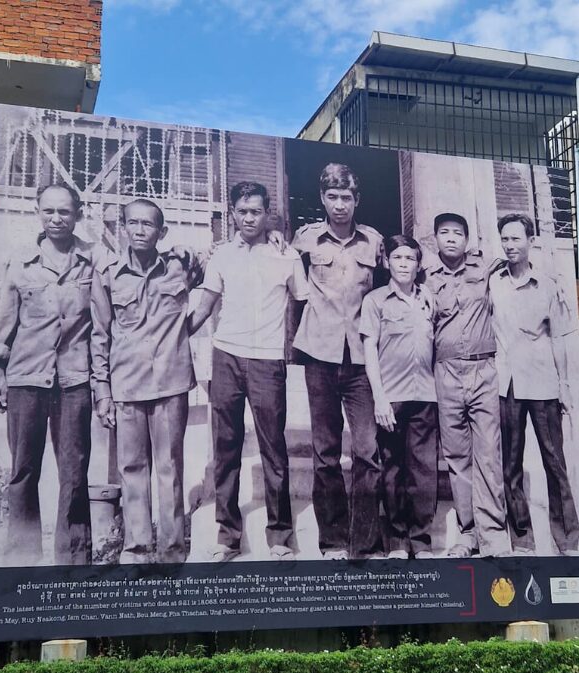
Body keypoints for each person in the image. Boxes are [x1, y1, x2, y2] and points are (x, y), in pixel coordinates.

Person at [188, 181, 309, 562]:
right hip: (226, 356)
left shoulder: (286, 256)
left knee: (274, 449)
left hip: (268, 360)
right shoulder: (221, 255)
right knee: (225, 448)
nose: (248, 218)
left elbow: (304, 303)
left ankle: (279, 536)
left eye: (256, 211)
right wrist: (173, 336)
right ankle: (227, 536)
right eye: (242, 211)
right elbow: (206, 303)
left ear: (267, 212)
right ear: (233, 212)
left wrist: (296, 353)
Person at [90, 198, 202, 564]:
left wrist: (190, 254)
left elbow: (218, 268)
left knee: (170, 469)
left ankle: (172, 552)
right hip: (127, 385)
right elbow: (99, 335)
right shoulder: (108, 275)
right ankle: (137, 550)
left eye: (148, 224)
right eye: (133, 223)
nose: (140, 230)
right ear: (123, 227)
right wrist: (102, 391)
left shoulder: (179, 267)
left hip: (171, 384)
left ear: (162, 231)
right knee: (133, 470)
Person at [0, 183, 93, 566]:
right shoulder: (19, 262)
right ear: (37, 211)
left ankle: (74, 564)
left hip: (74, 381)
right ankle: (22, 558)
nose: (56, 219)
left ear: (78, 213)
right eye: (48, 211)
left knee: (74, 473)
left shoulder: (94, 261)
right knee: (23, 472)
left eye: (64, 211)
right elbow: (3, 328)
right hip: (26, 380)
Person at [292, 163, 383, 560]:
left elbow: (386, 293)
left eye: (347, 197)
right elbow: (286, 282)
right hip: (320, 356)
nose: (340, 205)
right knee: (326, 452)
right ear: (323, 199)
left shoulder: (374, 242)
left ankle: (364, 542)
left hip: (362, 360)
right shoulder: (305, 240)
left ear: (357, 200)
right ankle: (331, 541)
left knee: (367, 450)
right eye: (333, 197)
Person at [489, 213, 579, 555]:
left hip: (543, 383)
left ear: (530, 240)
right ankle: (522, 538)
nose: (511, 246)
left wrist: (566, 386)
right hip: (507, 385)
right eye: (506, 239)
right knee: (510, 466)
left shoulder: (547, 285)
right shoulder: (493, 282)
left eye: (517, 239)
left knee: (554, 463)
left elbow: (558, 339)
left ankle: (567, 538)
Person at [425, 212, 509, 557]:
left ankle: (494, 536)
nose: (451, 239)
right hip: (445, 374)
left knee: (488, 454)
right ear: (435, 239)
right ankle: (468, 533)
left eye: (457, 233)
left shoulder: (484, 268)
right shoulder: (426, 278)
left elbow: (514, 255)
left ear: (467, 239)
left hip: (483, 370)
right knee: (457, 457)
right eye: (444, 233)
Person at [360, 235, 439, 559]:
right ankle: (395, 542)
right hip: (391, 398)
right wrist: (379, 398)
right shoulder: (375, 301)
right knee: (392, 472)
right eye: (398, 258)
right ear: (386, 262)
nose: (404, 264)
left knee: (423, 474)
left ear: (418, 265)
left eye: (410, 258)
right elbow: (369, 351)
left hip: (425, 395)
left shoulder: (428, 300)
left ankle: (420, 542)